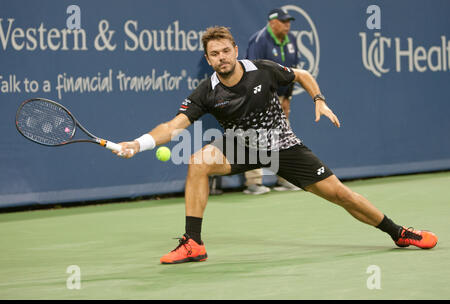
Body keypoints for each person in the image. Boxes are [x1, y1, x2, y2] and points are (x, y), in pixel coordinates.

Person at [114, 26, 438, 264]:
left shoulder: (263, 71)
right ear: (208, 58)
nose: (222, 57)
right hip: (240, 145)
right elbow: (173, 126)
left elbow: (302, 75)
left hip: (281, 145)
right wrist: (138, 144)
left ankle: (399, 232)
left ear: (234, 49)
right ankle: (193, 243)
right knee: (198, 162)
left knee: (341, 194)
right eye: (214, 53)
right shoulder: (206, 92)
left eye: (226, 50)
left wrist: (319, 100)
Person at [243, 8, 301, 193]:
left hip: (281, 97)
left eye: (288, 21)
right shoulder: (259, 40)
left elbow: (293, 71)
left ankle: (284, 178)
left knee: (283, 137)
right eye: (283, 21)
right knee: (256, 137)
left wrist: (287, 98)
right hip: (259, 97)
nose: (287, 25)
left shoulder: (291, 40)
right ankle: (253, 182)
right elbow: (252, 72)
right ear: (272, 22)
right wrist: (265, 97)